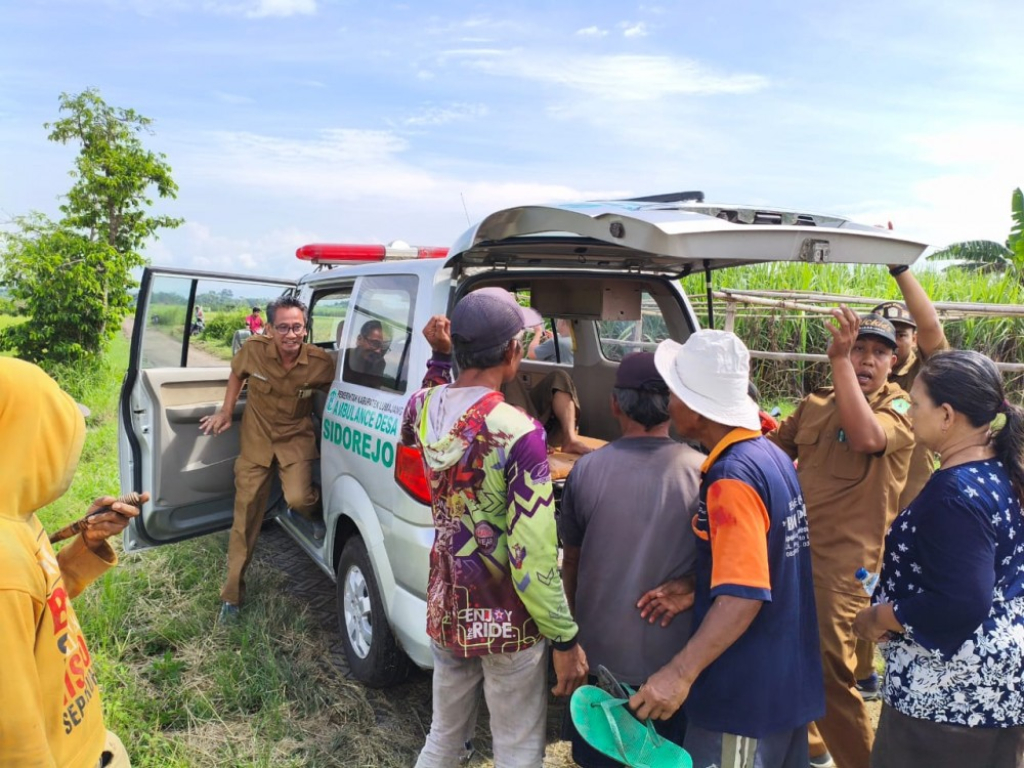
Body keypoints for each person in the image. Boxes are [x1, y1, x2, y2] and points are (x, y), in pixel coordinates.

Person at [405, 290, 588, 768]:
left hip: (447, 605)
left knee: (443, 737)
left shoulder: (420, 408)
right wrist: (564, 638)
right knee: (517, 748)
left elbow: (421, 427)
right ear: (511, 353)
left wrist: (438, 360)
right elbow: (533, 553)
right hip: (507, 619)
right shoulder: (520, 431)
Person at [628, 330, 824, 768]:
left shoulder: (732, 478)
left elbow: (743, 597)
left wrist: (678, 674)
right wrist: (698, 584)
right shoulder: (768, 456)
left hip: (745, 696)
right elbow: (766, 560)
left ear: (696, 408)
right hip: (784, 679)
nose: (668, 404)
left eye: (674, 393)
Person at [853, 350, 1024, 768]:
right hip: (992, 689)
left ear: (946, 415)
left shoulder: (954, 494)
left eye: (915, 403)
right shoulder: (999, 473)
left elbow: (961, 600)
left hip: (946, 701)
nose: (909, 413)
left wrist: (879, 618)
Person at [769, 309, 914, 768]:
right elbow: (772, 452)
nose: (867, 360)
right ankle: (807, 749)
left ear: (894, 361)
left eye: (878, 352)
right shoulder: (816, 401)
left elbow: (867, 438)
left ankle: (861, 761)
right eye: (858, 349)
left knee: (831, 673)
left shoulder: (901, 408)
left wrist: (838, 363)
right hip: (791, 553)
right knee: (783, 658)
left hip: (845, 569)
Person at [0, 357, 149, 767]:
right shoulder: (3, 566)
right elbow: (14, 741)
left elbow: (40, 601)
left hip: (80, 742)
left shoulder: (15, 521)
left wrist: (86, 543)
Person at [558, 351, 703, 766]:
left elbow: (572, 562)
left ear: (614, 404)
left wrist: (570, 639)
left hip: (599, 665)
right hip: (671, 670)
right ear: (673, 407)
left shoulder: (585, 472)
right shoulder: (703, 473)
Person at [200, 297, 335, 622]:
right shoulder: (254, 350)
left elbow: (335, 395)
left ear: (306, 328)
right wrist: (226, 411)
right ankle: (231, 597)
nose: (292, 335)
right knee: (245, 518)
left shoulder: (320, 362)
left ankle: (304, 513)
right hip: (257, 441)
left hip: (295, 439)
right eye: (284, 327)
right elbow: (237, 375)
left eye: (298, 327)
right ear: (271, 329)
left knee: (300, 498)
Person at [853, 269, 950, 704]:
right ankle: (861, 669)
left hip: (911, 502)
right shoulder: (864, 380)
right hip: (870, 504)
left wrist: (900, 270)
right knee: (862, 581)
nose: (902, 339)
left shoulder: (924, 380)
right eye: (894, 333)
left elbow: (934, 331)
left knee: (905, 586)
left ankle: (895, 662)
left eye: (903, 333)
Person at [342, 319, 389, 386]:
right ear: (359, 339)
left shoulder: (379, 363)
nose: (378, 351)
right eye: (374, 343)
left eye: (384, 346)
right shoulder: (341, 359)